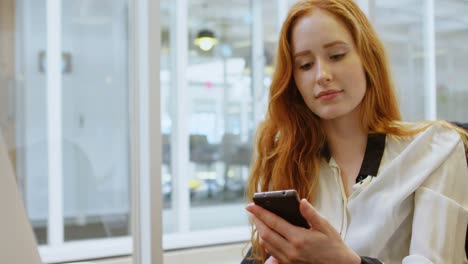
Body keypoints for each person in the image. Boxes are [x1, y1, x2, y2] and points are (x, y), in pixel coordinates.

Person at [241, 0, 468, 263]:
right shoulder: (290, 162)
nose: (321, 75)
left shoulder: (435, 149)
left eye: (336, 55)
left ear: (367, 58)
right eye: (304, 65)